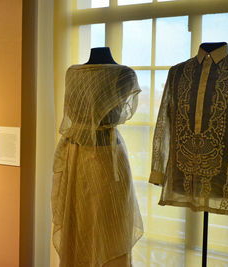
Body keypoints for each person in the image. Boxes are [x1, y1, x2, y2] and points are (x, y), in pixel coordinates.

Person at [52, 47, 143, 267]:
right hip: (82, 156)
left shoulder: (124, 75)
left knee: (109, 225)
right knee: (80, 223)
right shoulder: (74, 73)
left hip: (97, 157)